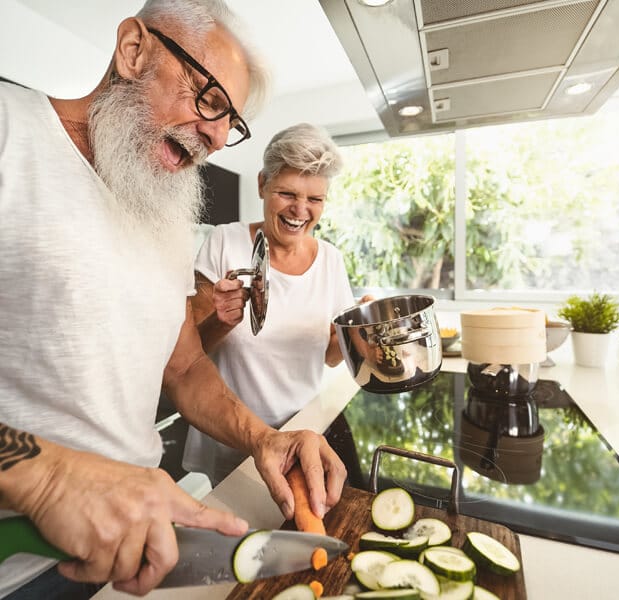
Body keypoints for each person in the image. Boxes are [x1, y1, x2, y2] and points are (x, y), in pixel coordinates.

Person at [0, 2, 346, 598]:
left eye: (230, 121)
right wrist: (49, 479)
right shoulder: (10, 134)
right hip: (18, 565)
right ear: (134, 49)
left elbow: (184, 368)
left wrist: (265, 439)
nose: (215, 136)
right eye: (208, 98)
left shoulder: (165, 216)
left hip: (137, 550)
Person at [183, 123, 360, 485]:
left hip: (305, 429)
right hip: (236, 434)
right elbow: (189, 354)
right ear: (263, 184)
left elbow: (328, 356)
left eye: (315, 199)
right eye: (287, 193)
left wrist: (358, 334)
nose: (300, 210)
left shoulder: (331, 260)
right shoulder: (224, 242)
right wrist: (223, 319)